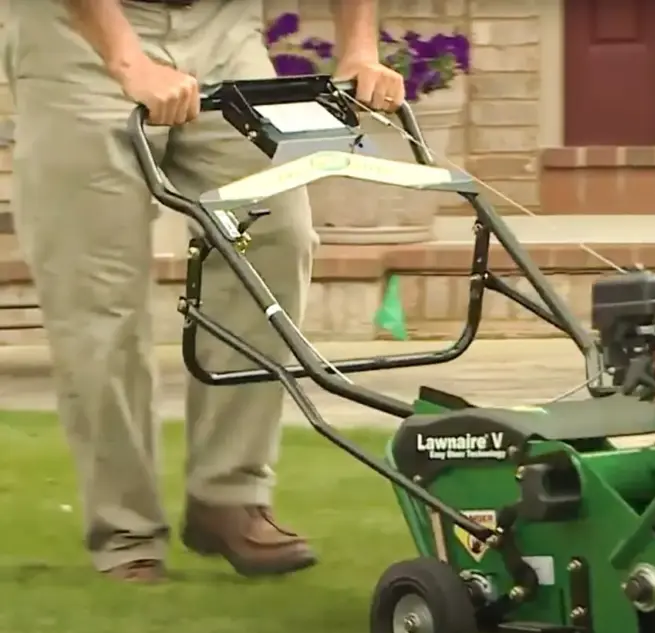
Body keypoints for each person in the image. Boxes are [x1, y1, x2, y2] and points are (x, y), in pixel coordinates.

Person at [5, 0, 405, 583]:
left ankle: (229, 496)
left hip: (221, 27)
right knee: (98, 293)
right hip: (74, 38)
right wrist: (127, 60)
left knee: (276, 234)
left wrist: (360, 48)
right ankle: (128, 531)